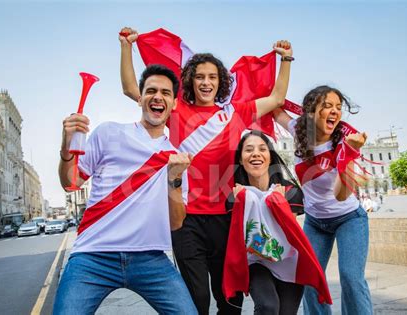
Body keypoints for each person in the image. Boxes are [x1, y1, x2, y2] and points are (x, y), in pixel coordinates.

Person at [119, 27, 293, 314]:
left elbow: (275, 99)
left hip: (227, 218)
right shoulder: (175, 110)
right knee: (196, 299)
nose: (206, 82)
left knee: (230, 300)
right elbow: (130, 89)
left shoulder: (235, 113)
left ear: (221, 81)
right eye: (199, 76)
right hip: (186, 219)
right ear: (190, 80)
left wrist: (285, 60)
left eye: (212, 77)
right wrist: (126, 47)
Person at [54, 65, 197, 314]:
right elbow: (71, 183)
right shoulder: (109, 132)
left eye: (165, 93)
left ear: (174, 103)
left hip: (150, 259)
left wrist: (174, 178)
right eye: (151, 90)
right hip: (92, 256)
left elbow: (176, 223)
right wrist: (67, 149)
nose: (158, 97)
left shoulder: (177, 157)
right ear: (140, 98)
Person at [274, 85, 373, 314]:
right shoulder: (300, 131)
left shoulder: (342, 143)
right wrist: (284, 61)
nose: (335, 111)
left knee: (351, 277)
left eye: (338, 107)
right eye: (327, 106)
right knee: (310, 279)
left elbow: (341, 195)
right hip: (316, 222)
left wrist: (349, 153)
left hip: (349, 218)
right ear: (311, 111)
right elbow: (276, 109)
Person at [223, 130, 332, 314]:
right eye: (248, 150)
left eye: (262, 149)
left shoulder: (289, 191)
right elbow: (237, 237)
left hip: (288, 261)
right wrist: (242, 202)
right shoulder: (235, 197)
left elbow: (288, 233)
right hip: (256, 262)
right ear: (241, 159)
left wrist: (279, 204)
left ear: (270, 156)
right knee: (267, 306)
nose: (255, 154)